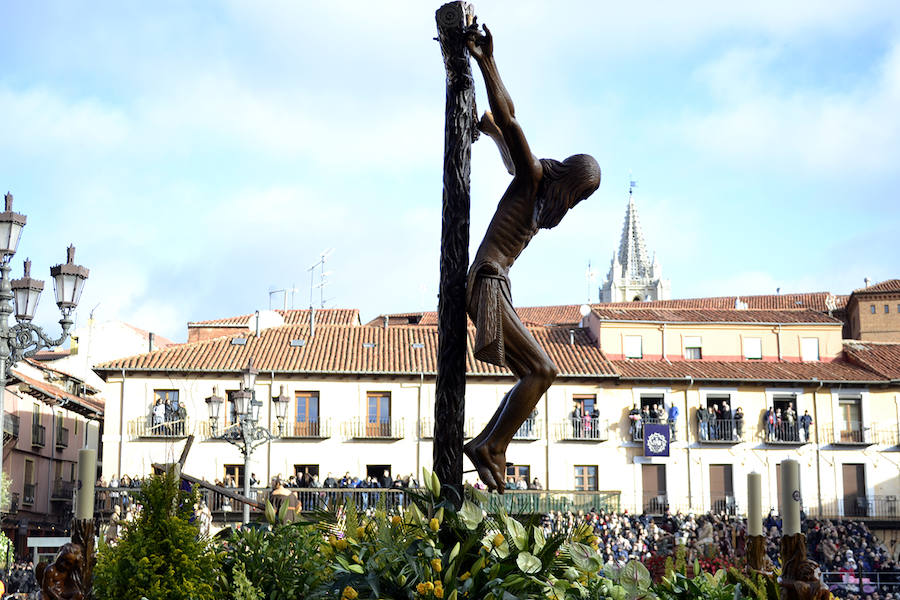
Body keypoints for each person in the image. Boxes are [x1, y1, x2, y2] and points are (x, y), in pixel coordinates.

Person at [462, 24, 601, 493]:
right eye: (581, 194)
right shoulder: (536, 177)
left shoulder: (535, 189)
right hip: (487, 279)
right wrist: (487, 61)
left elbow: (507, 142)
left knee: (534, 372)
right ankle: (490, 446)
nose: (576, 203)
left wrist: (492, 133)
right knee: (544, 369)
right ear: (571, 180)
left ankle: (487, 442)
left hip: (493, 282)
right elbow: (513, 119)